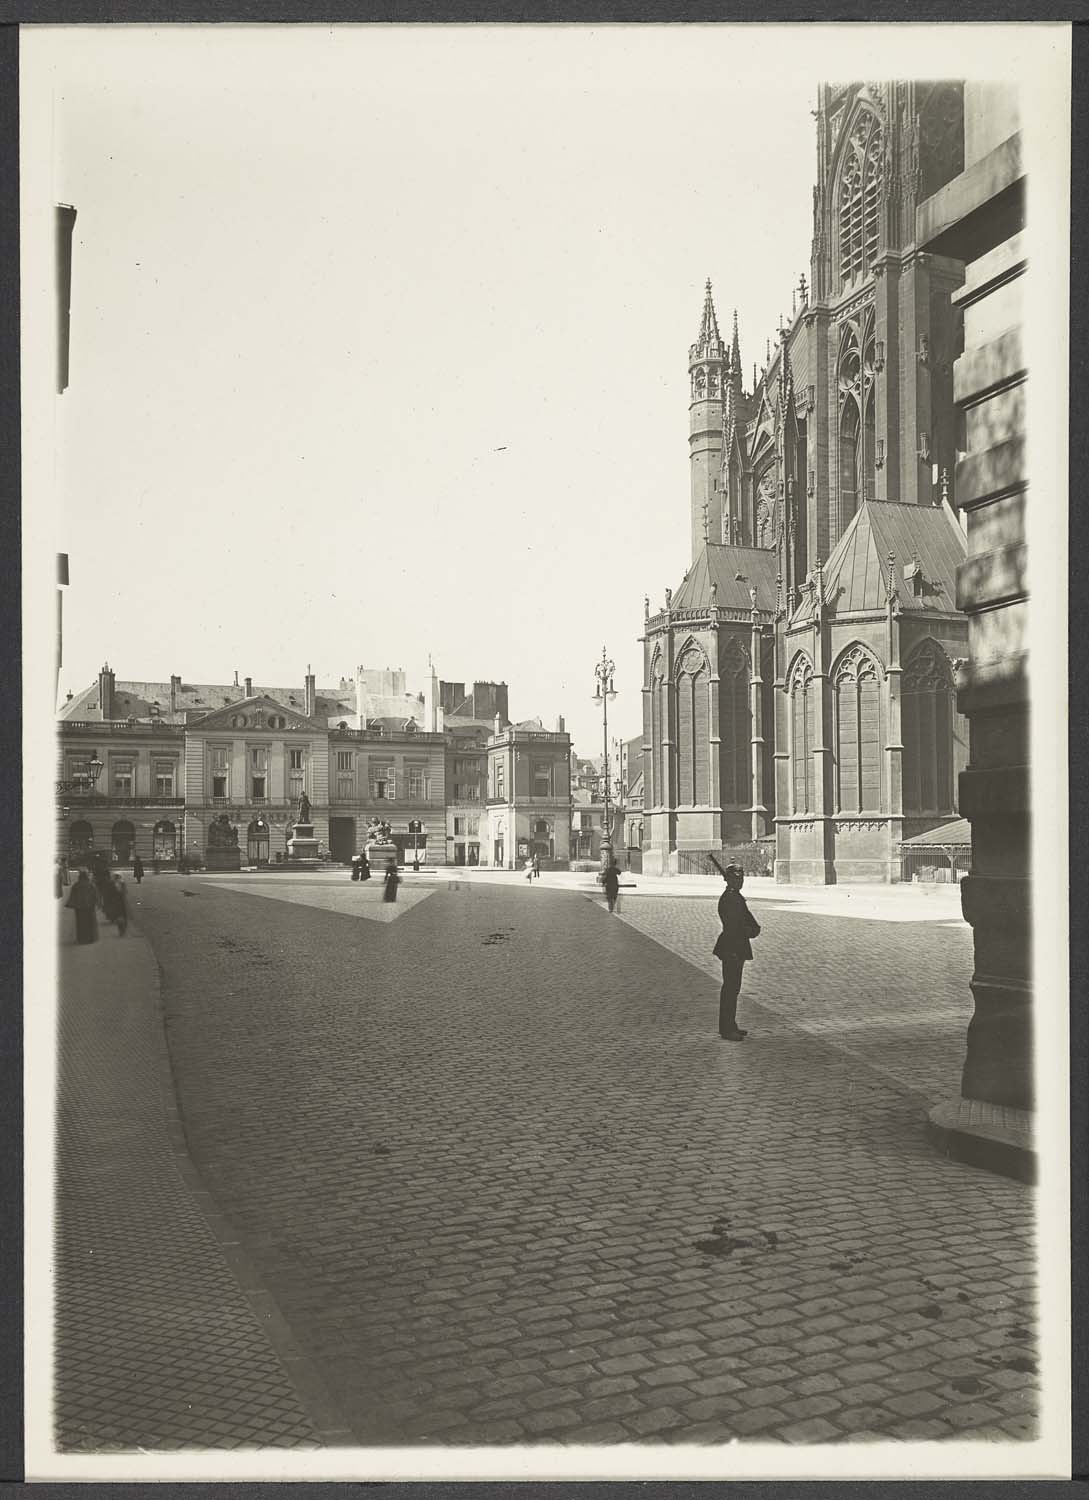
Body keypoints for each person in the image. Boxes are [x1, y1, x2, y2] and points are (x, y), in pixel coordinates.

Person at [713, 863, 761, 1041]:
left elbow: (745, 917)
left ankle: (730, 1024)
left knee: (733, 988)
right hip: (732, 947)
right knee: (730, 988)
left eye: (741, 879)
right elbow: (734, 926)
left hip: (736, 946)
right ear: (729, 879)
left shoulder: (735, 897)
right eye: (736, 879)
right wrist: (750, 931)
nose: (740, 882)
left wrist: (753, 927)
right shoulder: (730, 898)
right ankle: (726, 1029)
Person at [66, 869, 99, 944]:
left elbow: (73, 896)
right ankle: (91, 938)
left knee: (81, 923)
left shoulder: (76, 885)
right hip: (89, 906)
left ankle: (81, 938)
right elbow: (95, 895)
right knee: (90, 922)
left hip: (79, 907)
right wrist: (97, 903)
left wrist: (72, 904)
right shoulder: (91, 885)